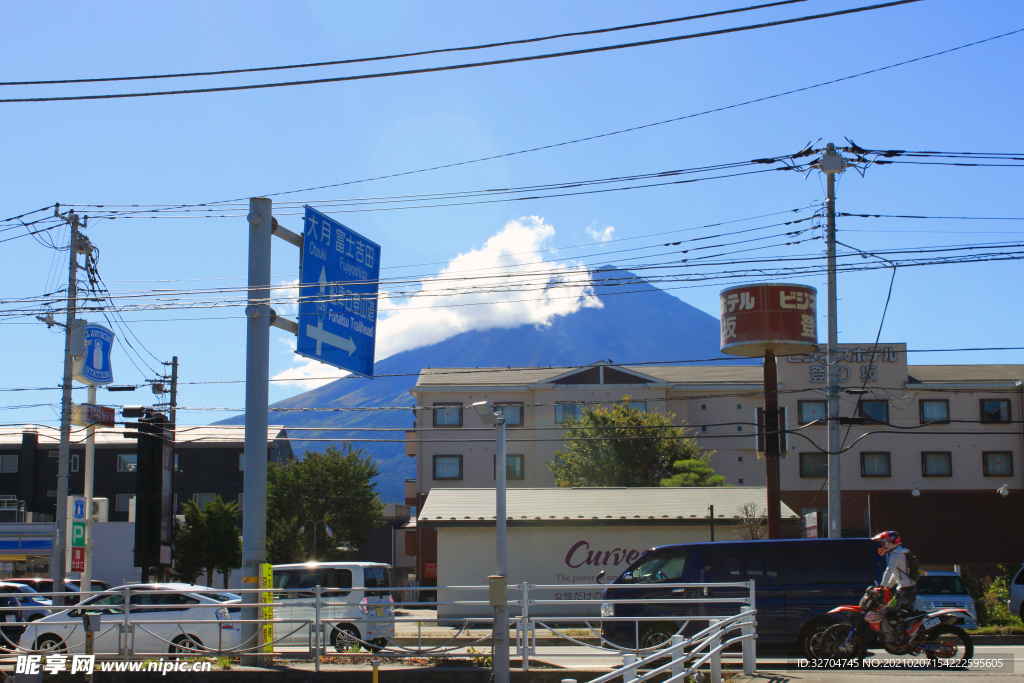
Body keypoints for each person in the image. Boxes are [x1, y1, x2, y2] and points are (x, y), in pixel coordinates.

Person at [873, 530, 916, 644]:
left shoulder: (896, 555)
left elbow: (889, 571)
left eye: (883, 542)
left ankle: (901, 638)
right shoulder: (903, 553)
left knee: (889, 612)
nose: (882, 545)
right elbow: (896, 575)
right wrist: (887, 587)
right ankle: (906, 636)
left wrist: (882, 586)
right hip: (908, 588)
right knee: (903, 614)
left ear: (890, 542)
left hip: (905, 590)